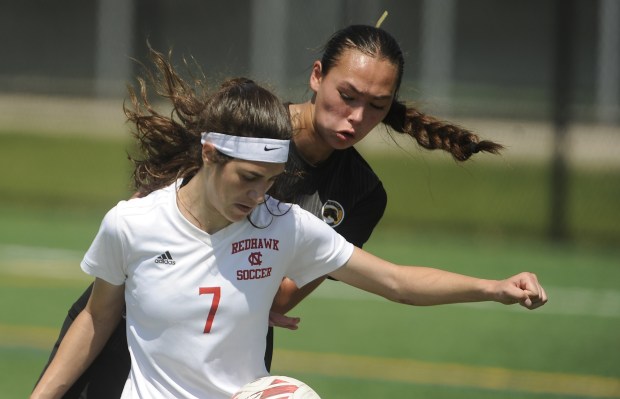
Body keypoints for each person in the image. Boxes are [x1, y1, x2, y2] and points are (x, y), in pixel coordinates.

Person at [31, 47, 547, 399]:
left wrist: (493, 287)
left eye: (273, 181)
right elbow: (98, 316)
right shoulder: (135, 223)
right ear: (210, 154)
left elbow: (395, 282)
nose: (261, 196)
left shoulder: (287, 223)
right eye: (250, 179)